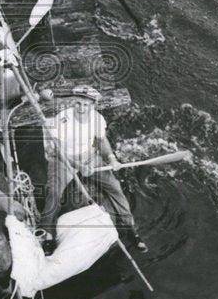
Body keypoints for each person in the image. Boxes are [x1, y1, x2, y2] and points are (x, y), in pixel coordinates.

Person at [39, 84, 146, 251]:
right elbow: (56, 151)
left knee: (115, 187)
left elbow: (102, 141)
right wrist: (78, 165)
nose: (81, 108)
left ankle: (131, 228)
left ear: (93, 105)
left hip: (89, 156)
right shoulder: (62, 120)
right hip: (63, 159)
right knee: (53, 192)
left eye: (86, 105)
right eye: (78, 103)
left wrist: (111, 158)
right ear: (73, 102)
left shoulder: (98, 119)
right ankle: (48, 233)